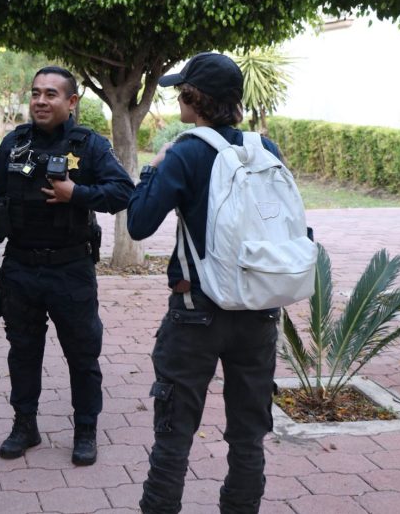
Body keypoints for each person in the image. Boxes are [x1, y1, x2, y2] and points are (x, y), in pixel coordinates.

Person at [127, 53, 283, 514]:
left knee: (174, 436)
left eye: (183, 91)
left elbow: (138, 224)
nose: (178, 97)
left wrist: (153, 168)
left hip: (195, 313)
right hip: (257, 313)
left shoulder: (186, 151)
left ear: (196, 98)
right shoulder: (264, 149)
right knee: (248, 437)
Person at [0, 66, 134, 466]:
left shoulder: (90, 146)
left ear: (71, 101)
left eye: (51, 94)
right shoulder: (14, 143)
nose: (41, 101)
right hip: (21, 267)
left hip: (70, 269)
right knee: (23, 351)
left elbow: (122, 192)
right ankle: (25, 425)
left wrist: (75, 193)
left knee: (83, 354)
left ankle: (85, 430)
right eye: (35, 93)